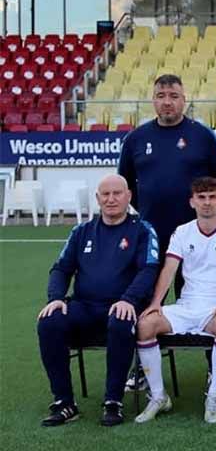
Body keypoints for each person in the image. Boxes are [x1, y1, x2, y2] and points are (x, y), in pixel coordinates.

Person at [37, 175, 159, 427]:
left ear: (128, 197)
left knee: (121, 320)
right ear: (97, 199)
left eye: (117, 193)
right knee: (49, 321)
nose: (111, 199)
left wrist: (128, 299)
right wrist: (56, 298)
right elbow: (60, 269)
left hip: (122, 306)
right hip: (85, 306)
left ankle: (113, 401)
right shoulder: (81, 231)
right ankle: (64, 402)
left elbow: (149, 270)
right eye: (105, 194)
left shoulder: (142, 230)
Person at [132, 177, 216, 424]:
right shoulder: (182, 231)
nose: (207, 203)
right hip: (187, 305)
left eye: (212, 197)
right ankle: (158, 396)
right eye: (201, 198)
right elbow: (169, 269)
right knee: (145, 325)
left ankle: (213, 395)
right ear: (192, 202)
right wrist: (156, 303)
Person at [117, 73, 216, 254]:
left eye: (174, 96)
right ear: (153, 100)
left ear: (184, 100)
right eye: (161, 96)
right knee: (153, 282)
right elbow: (125, 183)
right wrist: (145, 205)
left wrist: (203, 207)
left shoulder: (203, 136)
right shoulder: (135, 139)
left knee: (192, 282)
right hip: (151, 229)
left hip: (195, 229)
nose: (167, 102)